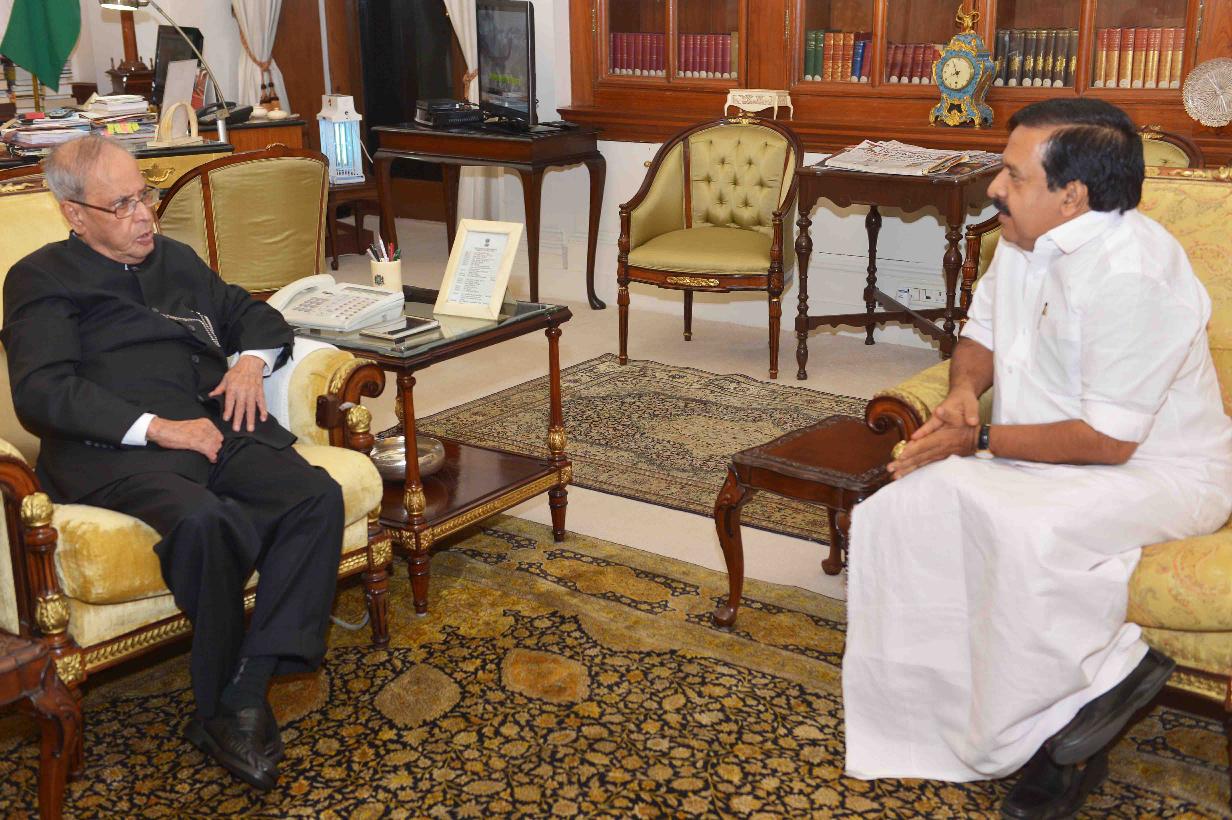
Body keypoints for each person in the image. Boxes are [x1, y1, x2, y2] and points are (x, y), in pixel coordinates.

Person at [841, 98, 1232, 818]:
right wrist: (963, 396)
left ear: (1071, 195)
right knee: (901, 506)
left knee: (1024, 531)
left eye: (1013, 176)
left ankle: (1071, 728)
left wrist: (978, 441)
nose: (995, 187)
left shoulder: (1135, 272)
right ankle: (946, 712)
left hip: (1159, 470)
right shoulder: (1023, 239)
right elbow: (980, 335)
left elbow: (1110, 441)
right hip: (1040, 455)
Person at [2, 135, 346, 792]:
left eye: (147, 196)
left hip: (213, 426)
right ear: (75, 214)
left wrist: (249, 364)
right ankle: (226, 704)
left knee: (314, 496)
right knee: (206, 522)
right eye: (123, 205)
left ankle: (241, 692)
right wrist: (158, 429)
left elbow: (252, 314)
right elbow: (43, 391)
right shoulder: (40, 278)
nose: (145, 216)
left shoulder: (175, 258)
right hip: (116, 451)